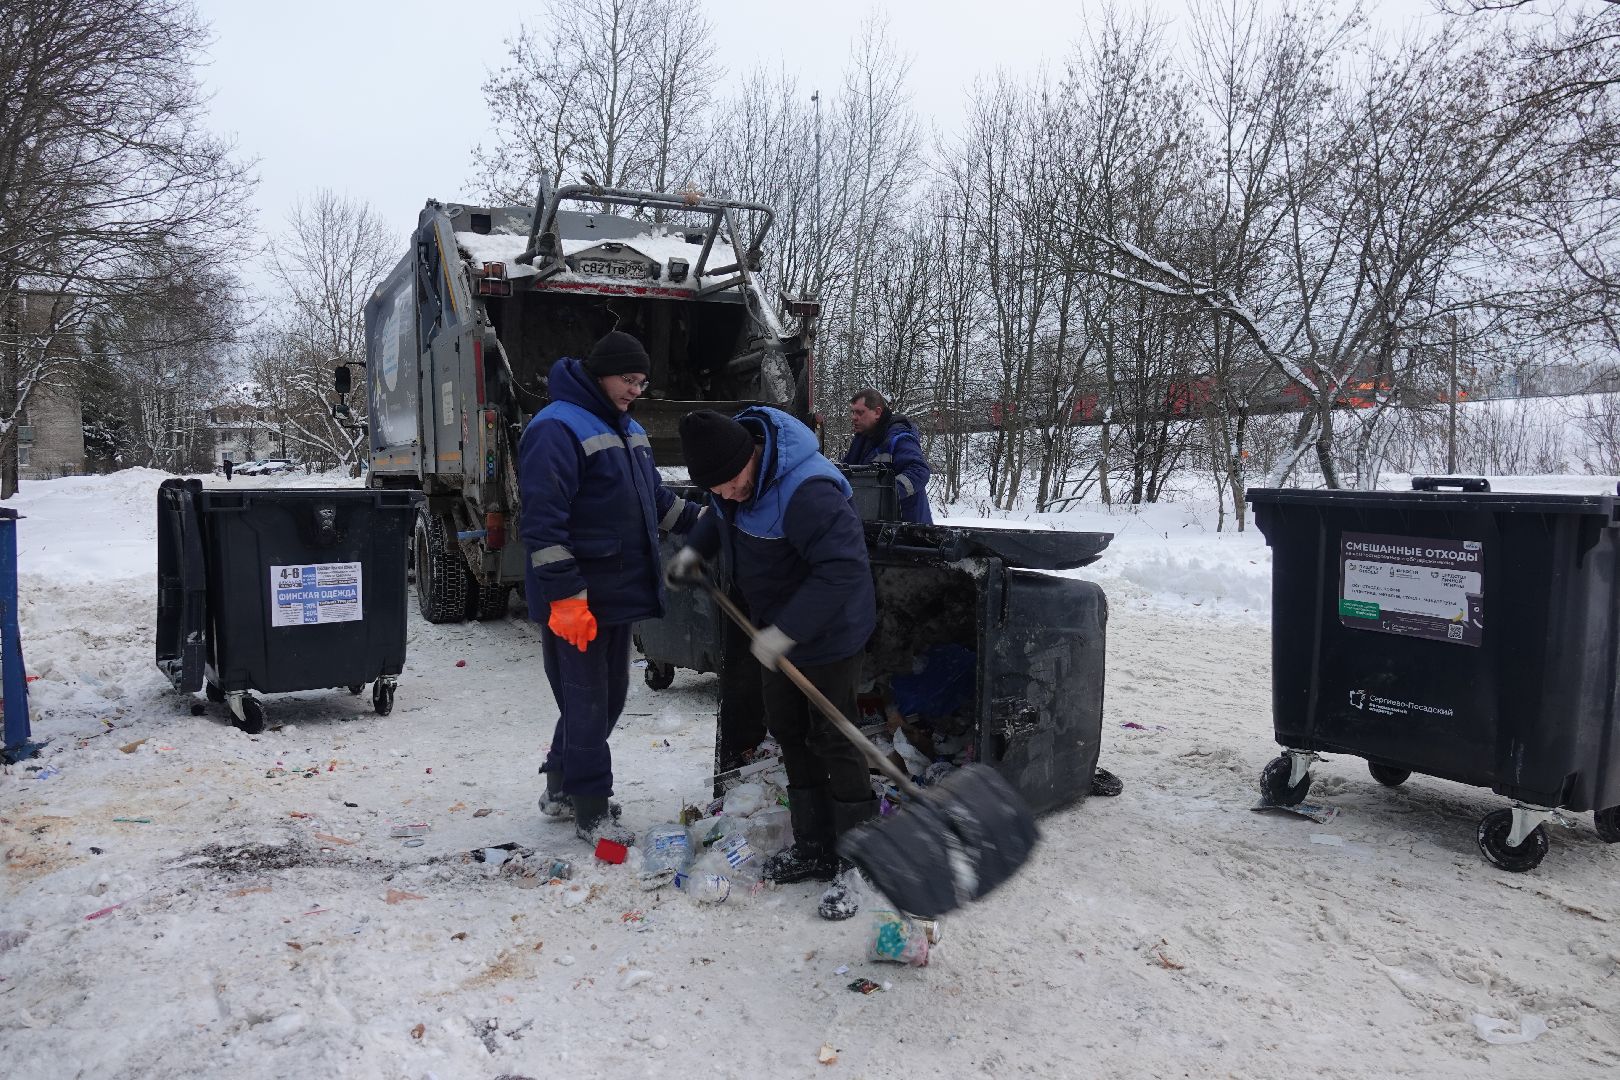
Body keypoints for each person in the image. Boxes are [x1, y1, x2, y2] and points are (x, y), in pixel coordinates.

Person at [666, 406, 877, 920]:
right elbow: (719, 517)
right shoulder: (732, 484)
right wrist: (694, 551)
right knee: (787, 728)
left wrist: (787, 631)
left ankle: (859, 861)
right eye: (714, 488)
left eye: (732, 483)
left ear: (754, 456)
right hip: (775, 629)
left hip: (828, 630)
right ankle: (813, 844)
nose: (727, 494)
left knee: (833, 736)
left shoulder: (808, 492)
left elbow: (844, 569)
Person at [518, 330, 698, 847]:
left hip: (617, 593)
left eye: (642, 381)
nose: (635, 389)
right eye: (628, 379)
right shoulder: (555, 429)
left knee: (608, 695)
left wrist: (708, 521)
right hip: (578, 599)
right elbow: (543, 525)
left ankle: (560, 786)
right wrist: (565, 596)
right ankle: (591, 806)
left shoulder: (630, 430)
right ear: (601, 374)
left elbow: (656, 501)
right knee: (587, 702)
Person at [842, 389, 933, 524]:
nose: (854, 417)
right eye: (853, 412)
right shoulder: (862, 439)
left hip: (907, 530)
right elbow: (846, 472)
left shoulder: (900, 438)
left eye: (860, 412)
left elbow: (919, 472)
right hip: (877, 527)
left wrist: (885, 493)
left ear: (877, 412)